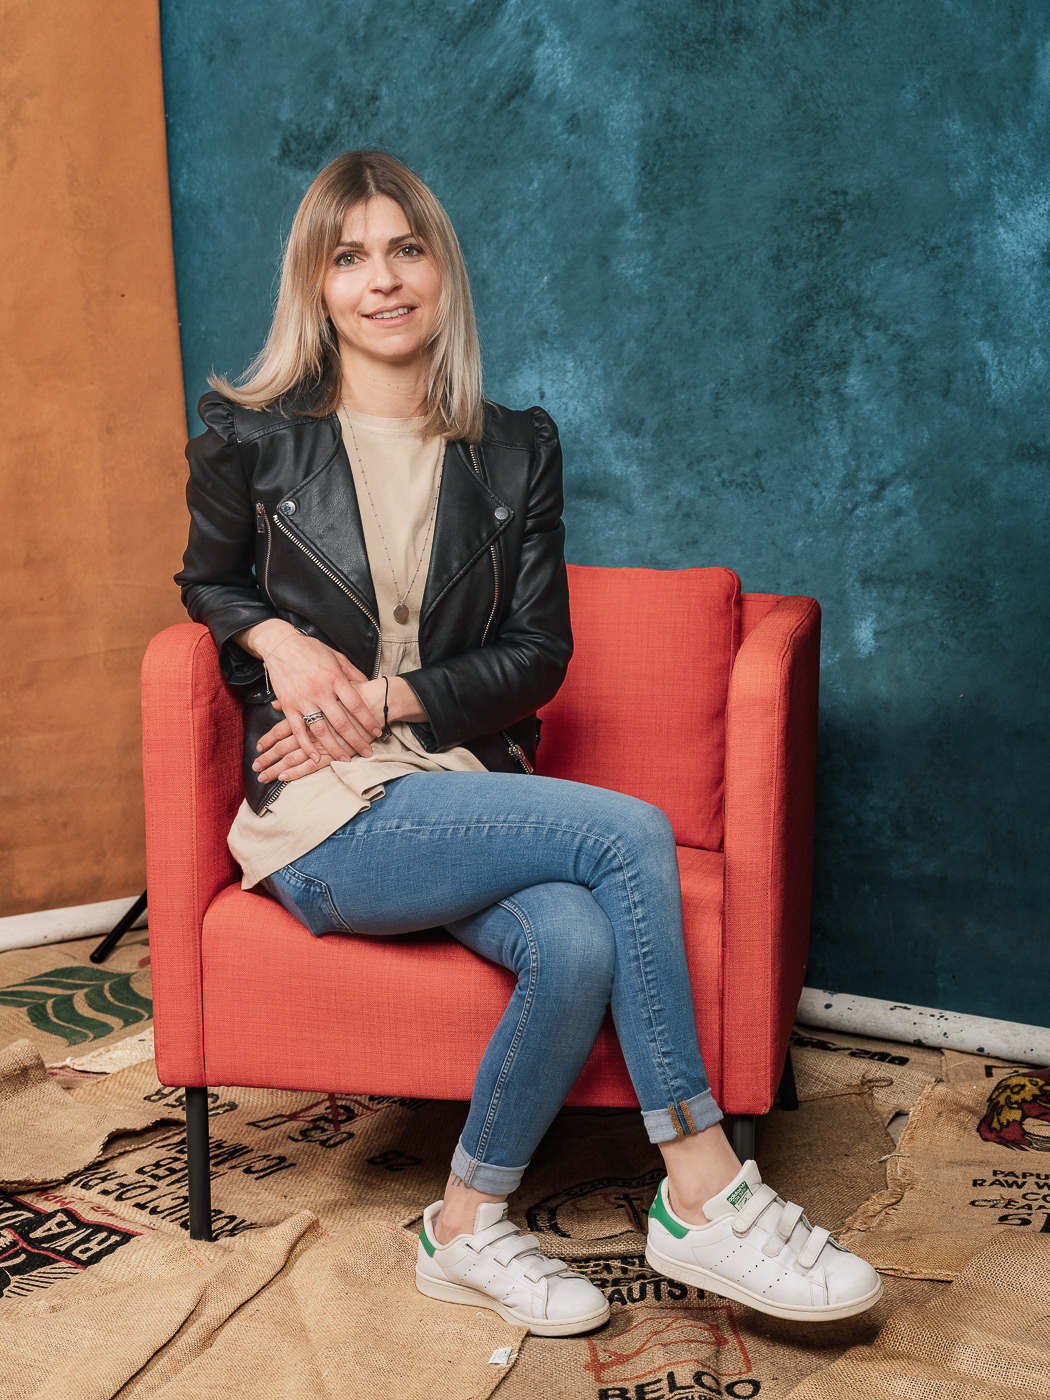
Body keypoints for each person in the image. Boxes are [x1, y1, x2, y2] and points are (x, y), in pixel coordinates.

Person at [175, 149, 882, 1336]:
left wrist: (387, 700)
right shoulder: (252, 439)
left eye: (406, 249)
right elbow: (208, 580)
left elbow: (537, 653)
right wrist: (280, 643)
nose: (382, 279)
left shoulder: (515, 448)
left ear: (441, 271)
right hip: (326, 813)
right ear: (317, 287)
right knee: (627, 833)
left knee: (576, 938)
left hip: (454, 778)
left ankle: (460, 1224)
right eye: (350, 257)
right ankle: (703, 1187)